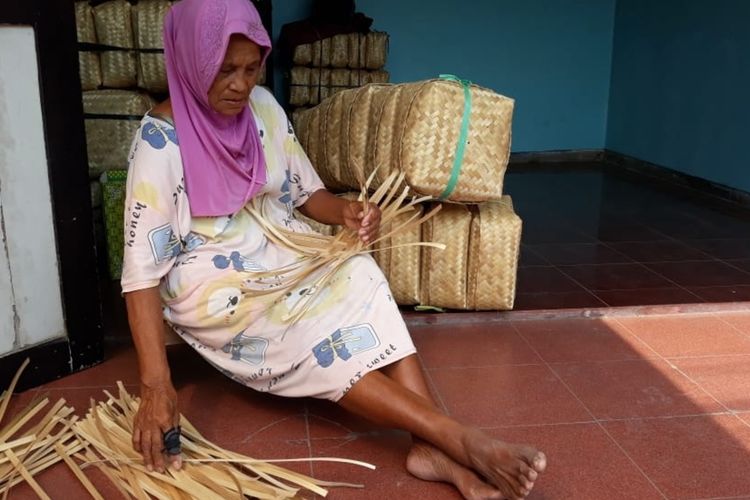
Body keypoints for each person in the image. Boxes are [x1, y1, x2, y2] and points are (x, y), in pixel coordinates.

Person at [121, 0, 547, 498]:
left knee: (358, 271)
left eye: (251, 67)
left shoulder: (262, 108)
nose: (240, 84)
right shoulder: (160, 142)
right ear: (191, 62)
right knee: (312, 332)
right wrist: (156, 386)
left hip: (278, 248)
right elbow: (141, 274)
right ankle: (457, 439)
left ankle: (428, 446)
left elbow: (306, 194)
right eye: (224, 70)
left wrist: (346, 212)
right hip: (213, 283)